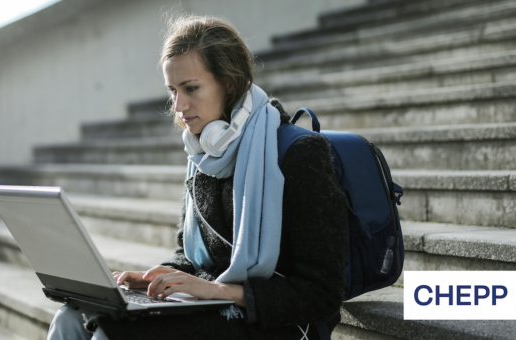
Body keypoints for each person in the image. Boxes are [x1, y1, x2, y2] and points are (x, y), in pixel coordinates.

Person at [47, 15, 348, 340]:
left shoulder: (301, 154)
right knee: (71, 317)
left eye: (191, 88)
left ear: (229, 83)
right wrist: (157, 277)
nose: (179, 105)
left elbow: (323, 294)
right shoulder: (203, 152)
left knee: (112, 333)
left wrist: (216, 290)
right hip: (213, 307)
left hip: (280, 324)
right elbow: (189, 255)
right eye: (173, 90)